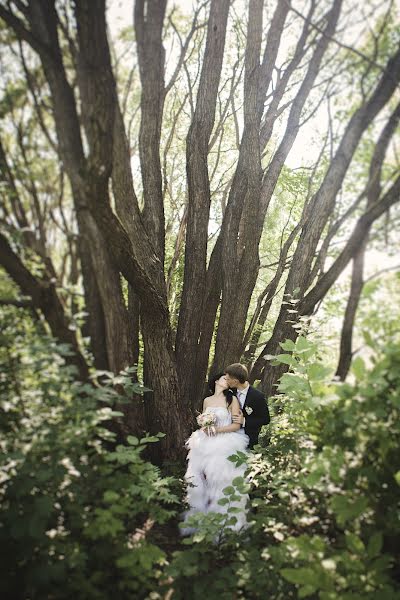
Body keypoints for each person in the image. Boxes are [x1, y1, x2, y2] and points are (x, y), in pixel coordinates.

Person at [181, 372, 250, 535]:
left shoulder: (231, 399)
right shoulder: (207, 400)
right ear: (216, 381)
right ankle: (200, 519)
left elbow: (236, 425)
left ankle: (225, 524)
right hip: (205, 441)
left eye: (229, 378)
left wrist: (216, 429)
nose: (227, 380)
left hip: (225, 441)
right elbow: (204, 421)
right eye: (224, 378)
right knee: (198, 479)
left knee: (221, 480)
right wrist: (205, 427)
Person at [225, 363, 270, 449]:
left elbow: (266, 419)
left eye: (228, 379)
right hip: (229, 434)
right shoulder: (230, 391)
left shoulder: (257, 396)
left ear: (235, 381)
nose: (226, 381)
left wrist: (245, 421)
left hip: (248, 438)